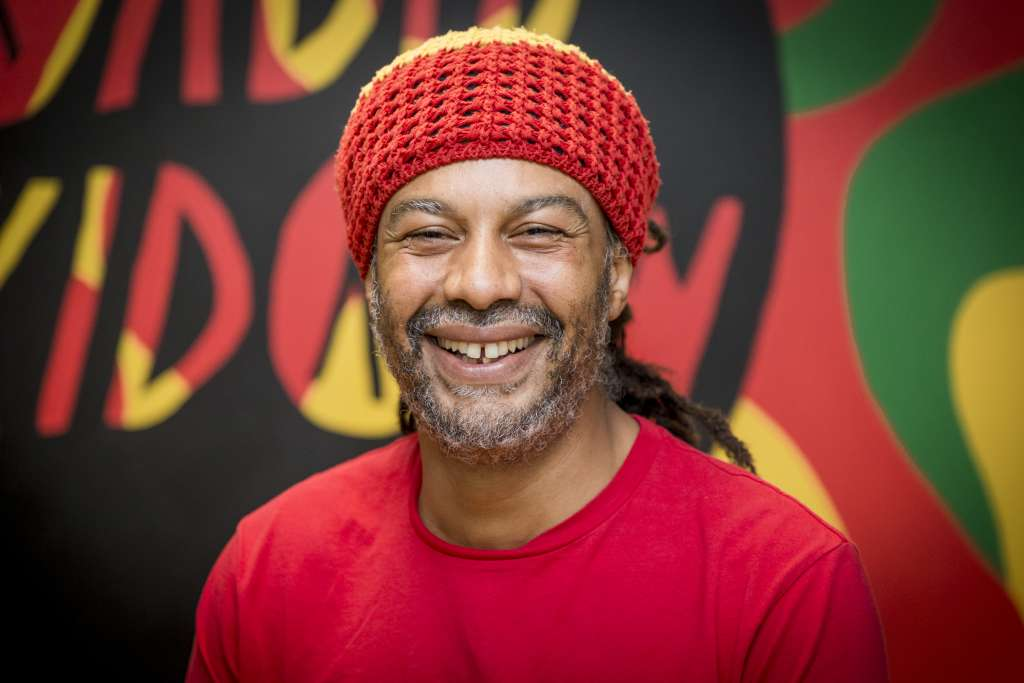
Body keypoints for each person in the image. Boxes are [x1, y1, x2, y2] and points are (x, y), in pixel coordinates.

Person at [186, 25, 888, 682]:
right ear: (370, 277)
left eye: (539, 232)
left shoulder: (784, 586)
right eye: (429, 234)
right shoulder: (267, 572)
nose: (480, 284)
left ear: (616, 275)